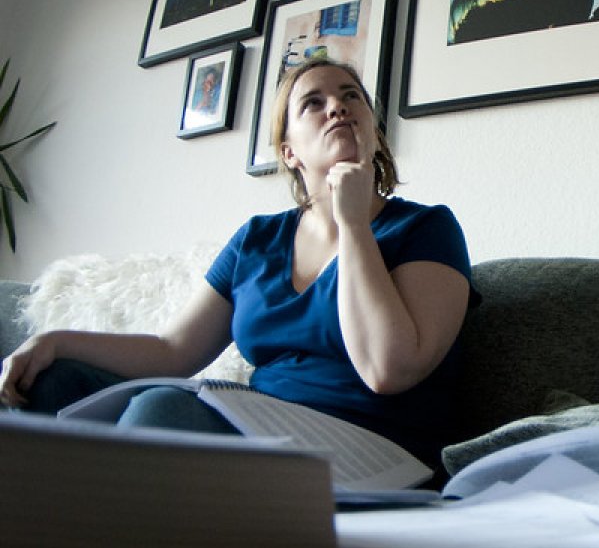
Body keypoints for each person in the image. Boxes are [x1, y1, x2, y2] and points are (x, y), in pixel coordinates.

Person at [0, 58, 477, 470]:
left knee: (164, 412)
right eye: (313, 102)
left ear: (373, 132)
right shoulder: (257, 238)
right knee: (51, 381)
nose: (337, 106)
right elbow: (173, 351)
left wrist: (352, 222)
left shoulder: (425, 229)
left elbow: (388, 370)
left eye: (351, 96)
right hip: (262, 428)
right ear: (289, 151)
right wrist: (53, 341)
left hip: (373, 452)